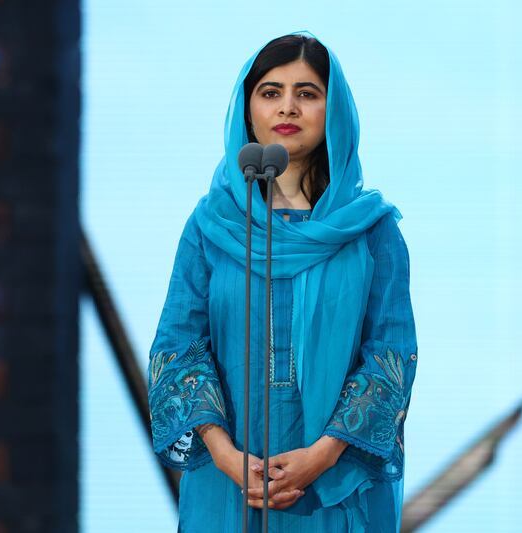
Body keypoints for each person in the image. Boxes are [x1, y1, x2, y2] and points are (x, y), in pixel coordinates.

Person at [148, 30, 419, 532]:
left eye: (307, 93)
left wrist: (324, 452)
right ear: (249, 110)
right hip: (228, 480)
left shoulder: (371, 230)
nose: (287, 107)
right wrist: (226, 455)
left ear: (333, 111)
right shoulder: (212, 225)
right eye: (270, 92)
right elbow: (179, 346)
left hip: (338, 479)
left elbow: (390, 357)